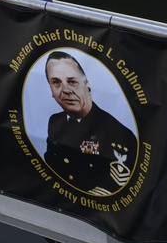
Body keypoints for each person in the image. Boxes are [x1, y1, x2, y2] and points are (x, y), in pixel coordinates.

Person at [44, 51, 137, 195]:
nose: (66, 90)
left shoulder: (119, 134)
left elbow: (123, 187)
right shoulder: (55, 121)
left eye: (72, 81)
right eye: (56, 82)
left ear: (87, 86)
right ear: (51, 89)